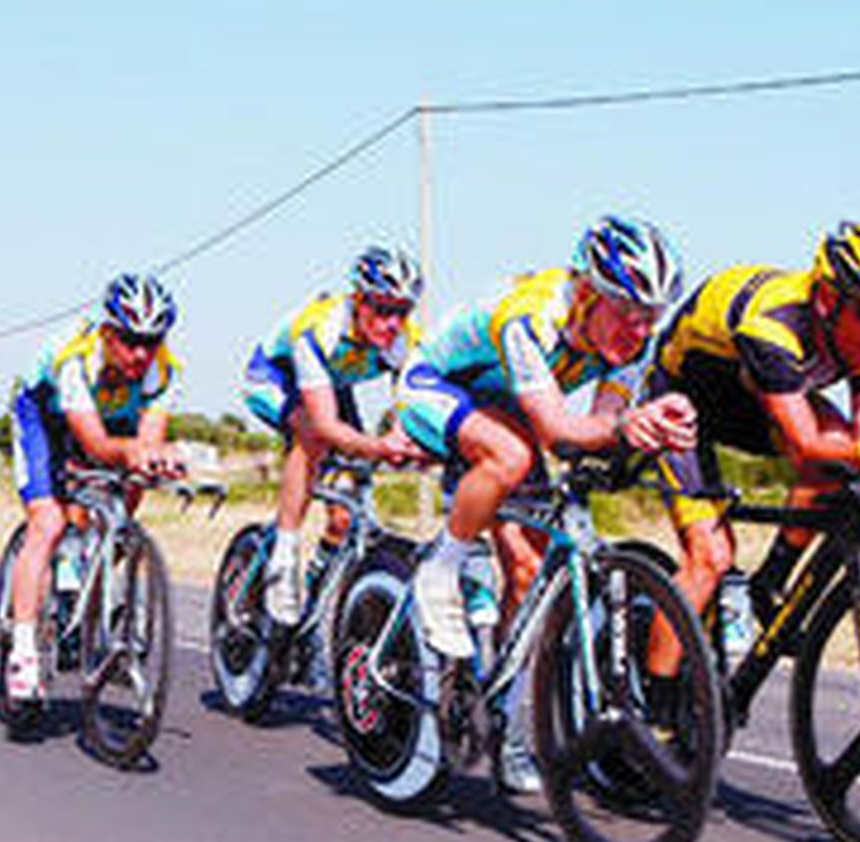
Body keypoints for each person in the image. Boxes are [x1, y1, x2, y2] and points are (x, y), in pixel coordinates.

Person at [394, 215, 696, 791]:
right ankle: (442, 568)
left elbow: (605, 427)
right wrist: (629, 425)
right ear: (586, 293)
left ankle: (502, 725)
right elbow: (560, 430)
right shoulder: (533, 314)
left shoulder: (634, 345)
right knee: (508, 455)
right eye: (628, 313)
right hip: (435, 387)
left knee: (529, 570)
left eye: (650, 317)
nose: (639, 330)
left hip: (506, 411)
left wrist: (652, 430)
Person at [642, 221, 860, 681]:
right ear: (828, 299)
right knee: (711, 556)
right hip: (679, 403)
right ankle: (657, 711)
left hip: (751, 398)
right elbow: (808, 447)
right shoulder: (772, 326)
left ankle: (770, 584)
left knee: (843, 455)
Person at [5, 273, 185, 716]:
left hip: (104, 417)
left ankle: (85, 568)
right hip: (42, 417)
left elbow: (145, 444)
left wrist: (158, 458)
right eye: (129, 340)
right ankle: (23, 651)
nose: (141, 353)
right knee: (47, 524)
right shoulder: (76, 361)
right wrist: (133, 453)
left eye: (151, 340)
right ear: (107, 333)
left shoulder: (163, 372)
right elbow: (99, 447)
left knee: (132, 483)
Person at [242, 245, 426, 626]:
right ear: (358, 301)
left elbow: (409, 407)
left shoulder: (404, 340)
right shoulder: (321, 328)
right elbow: (325, 425)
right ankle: (284, 551)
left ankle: (316, 599)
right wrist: (379, 446)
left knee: (345, 517)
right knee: (315, 436)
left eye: (402, 311)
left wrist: (403, 438)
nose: (392, 322)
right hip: (275, 379)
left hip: (333, 385)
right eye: (382, 308)